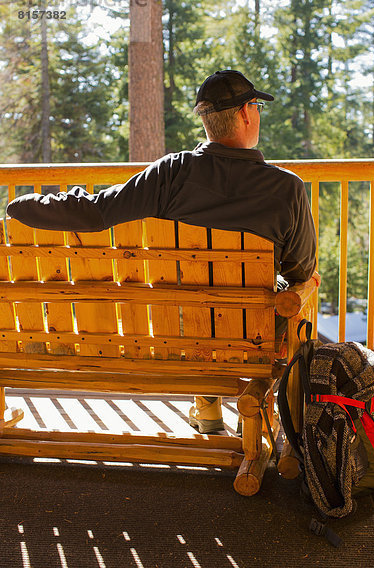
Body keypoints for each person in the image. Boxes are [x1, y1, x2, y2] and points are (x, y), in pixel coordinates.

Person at [7, 69, 316, 434]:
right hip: (253, 336)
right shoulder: (287, 189)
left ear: (207, 121)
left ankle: (207, 406)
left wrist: (20, 205)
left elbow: (94, 212)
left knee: (202, 304)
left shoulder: (171, 173)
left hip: (177, 334)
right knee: (292, 294)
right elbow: (300, 270)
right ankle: (270, 412)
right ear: (247, 113)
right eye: (257, 107)